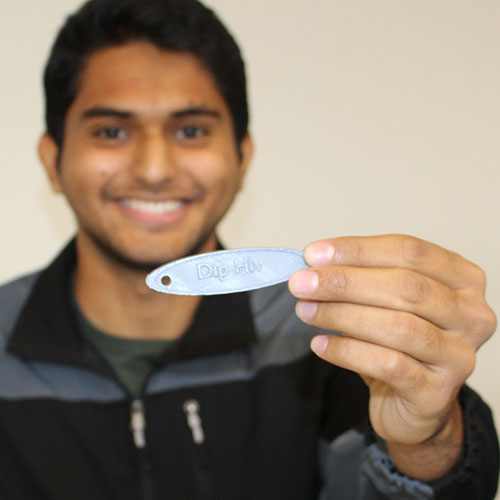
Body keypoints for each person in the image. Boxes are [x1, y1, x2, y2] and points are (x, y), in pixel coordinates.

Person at [0, 0, 498, 498]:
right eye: (111, 131)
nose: (154, 169)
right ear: (53, 160)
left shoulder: (334, 342)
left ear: (242, 158)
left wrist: (428, 441)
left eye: (191, 130)